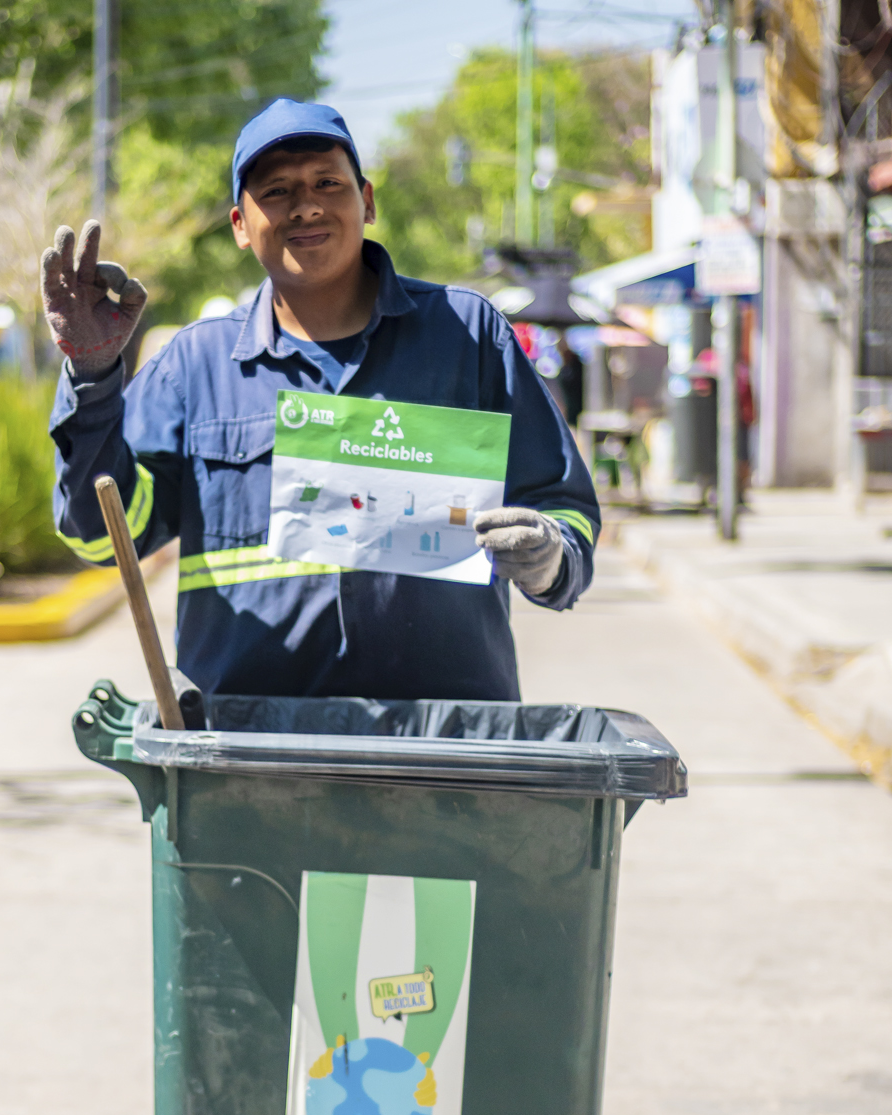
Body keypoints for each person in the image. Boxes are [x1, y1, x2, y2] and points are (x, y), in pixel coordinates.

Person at [42, 100, 599, 700]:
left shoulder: (469, 337)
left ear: (368, 201)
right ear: (238, 224)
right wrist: (95, 377)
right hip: (248, 755)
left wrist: (549, 558)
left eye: (327, 183)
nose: (305, 205)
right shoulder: (192, 368)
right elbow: (99, 538)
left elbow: (564, 508)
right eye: (276, 191)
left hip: (445, 750)